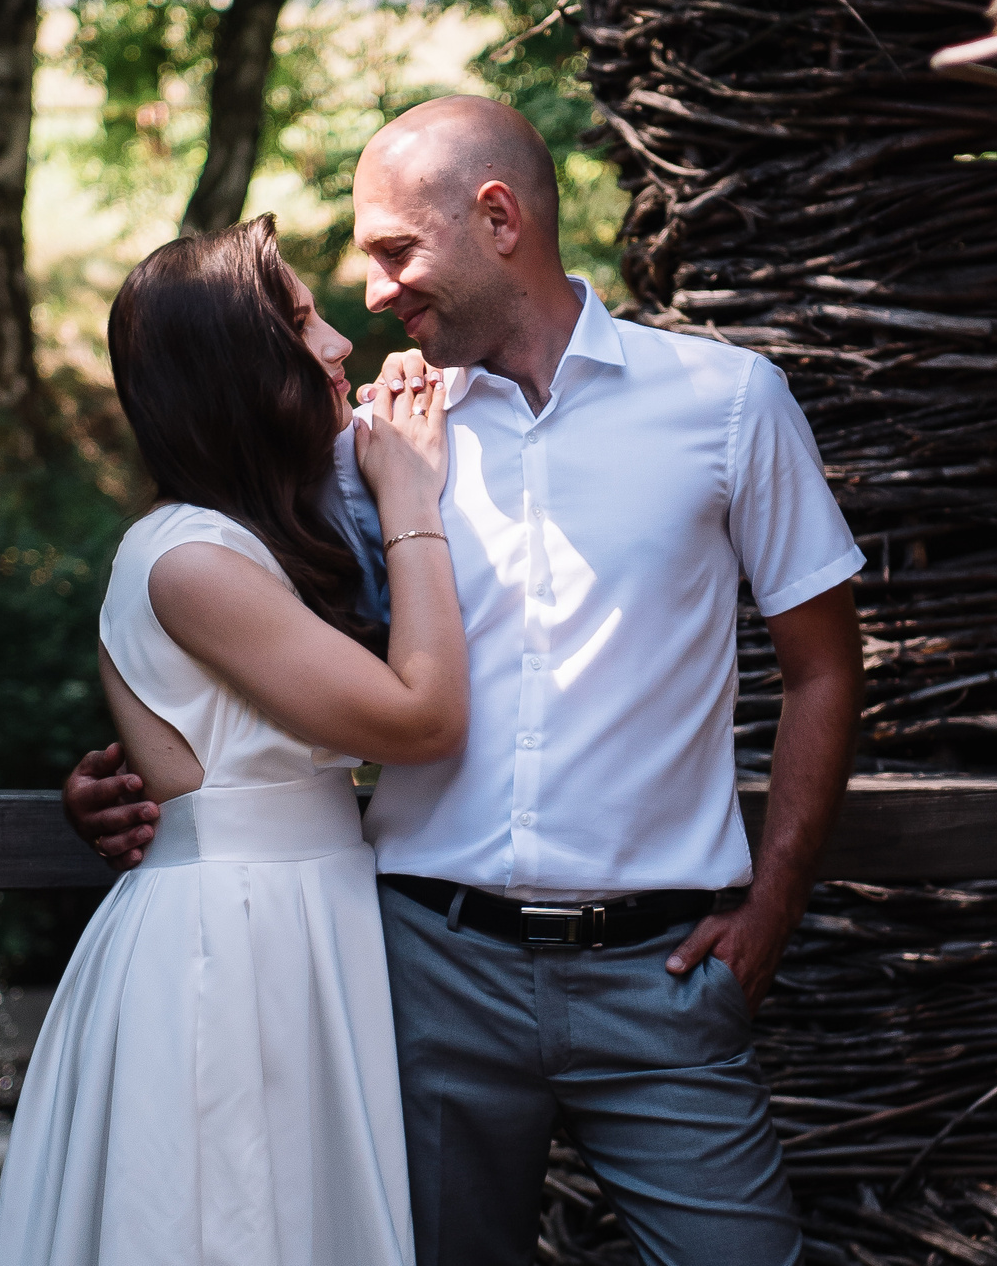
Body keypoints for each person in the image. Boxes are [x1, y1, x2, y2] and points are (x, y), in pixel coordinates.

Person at [66, 97, 866, 1266]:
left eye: (394, 250)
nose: (374, 291)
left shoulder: (727, 404)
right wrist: (135, 786)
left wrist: (775, 900)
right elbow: (226, 642)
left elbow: (823, 664)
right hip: (418, 970)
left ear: (497, 217)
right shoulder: (368, 447)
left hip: (662, 974)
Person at [0, 215, 466, 1265]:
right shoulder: (188, 557)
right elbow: (422, 718)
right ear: (236, 371)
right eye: (302, 321)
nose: (339, 342)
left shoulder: (267, 540)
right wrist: (413, 496)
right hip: (234, 941)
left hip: (304, 919)